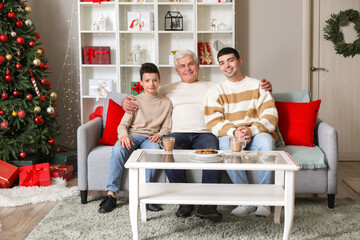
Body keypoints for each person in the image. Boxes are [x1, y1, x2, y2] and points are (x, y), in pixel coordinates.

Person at [122, 49, 273, 222]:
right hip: (177, 133)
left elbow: (237, 87)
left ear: (198, 66)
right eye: (182, 66)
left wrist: (266, 88)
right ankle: (185, 202)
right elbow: (146, 94)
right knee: (167, 151)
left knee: (213, 151)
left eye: (190, 64)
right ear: (177, 71)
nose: (187, 69)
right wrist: (125, 101)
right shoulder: (166, 89)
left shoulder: (213, 86)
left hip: (204, 133)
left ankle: (208, 205)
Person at [204, 47, 278, 217]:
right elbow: (212, 121)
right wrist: (234, 131)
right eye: (222, 63)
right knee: (225, 144)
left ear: (239, 61)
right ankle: (245, 200)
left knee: (266, 142)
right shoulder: (216, 91)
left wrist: (251, 130)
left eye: (230, 60)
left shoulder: (258, 86)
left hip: (256, 131)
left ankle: (265, 202)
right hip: (232, 135)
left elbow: (270, 115)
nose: (227, 65)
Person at [98, 63, 173, 214]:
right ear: (141, 82)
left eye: (154, 80)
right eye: (147, 80)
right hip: (133, 135)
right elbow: (122, 125)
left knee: (153, 151)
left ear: (159, 80)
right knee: (118, 149)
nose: (151, 84)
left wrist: (158, 135)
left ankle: (145, 196)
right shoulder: (135, 101)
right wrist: (124, 135)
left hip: (151, 138)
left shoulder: (166, 103)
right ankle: (111, 195)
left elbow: (167, 127)